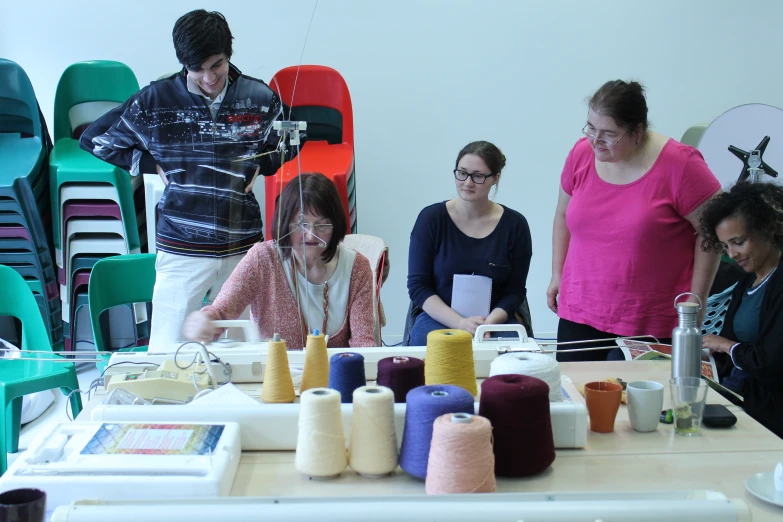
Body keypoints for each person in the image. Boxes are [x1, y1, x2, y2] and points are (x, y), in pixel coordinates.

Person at [79, 10, 301, 352]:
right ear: (184, 64)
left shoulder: (258, 97)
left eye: (217, 65)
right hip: (181, 248)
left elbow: (296, 136)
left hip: (242, 247)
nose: (209, 77)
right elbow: (95, 139)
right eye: (197, 69)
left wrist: (266, 162)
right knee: (168, 354)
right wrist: (149, 163)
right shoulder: (156, 100)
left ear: (229, 55)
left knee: (251, 354)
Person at [547, 80, 721, 362]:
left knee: (642, 405)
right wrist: (557, 273)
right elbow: (563, 215)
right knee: (576, 399)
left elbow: (712, 232)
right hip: (580, 310)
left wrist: (696, 301)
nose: (595, 140)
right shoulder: (581, 154)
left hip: (648, 320)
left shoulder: (680, 164)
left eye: (608, 134)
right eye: (590, 128)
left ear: (637, 132)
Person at [182, 173, 377, 349]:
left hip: (332, 382)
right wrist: (203, 320)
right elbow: (221, 312)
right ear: (285, 223)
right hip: (275, 379)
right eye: (301, 224)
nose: (310, 236)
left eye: (322, 225)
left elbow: (364, 345)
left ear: (336, 226)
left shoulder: (357, 268)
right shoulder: (263, 258)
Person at [407, 141, 532, 346]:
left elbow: (515, 290)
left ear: (495, 178)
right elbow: (418, 286)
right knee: (431, 357)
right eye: (462, 173)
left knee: (515, 363)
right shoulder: (431, 219)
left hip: (494, 322)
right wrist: (460, 323)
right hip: (440, 317)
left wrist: (486, 325)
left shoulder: (515, 225)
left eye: (478, 176)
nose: (468, 182)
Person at [700, 182, 783, 438]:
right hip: (742, 389)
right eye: (725, 246)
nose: (732, 254)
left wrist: (724, 346)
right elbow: (728, 343)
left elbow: (771, 363)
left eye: (738, 242)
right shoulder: (747, 279)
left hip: (769, 408)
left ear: (767, 230)